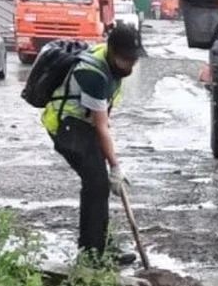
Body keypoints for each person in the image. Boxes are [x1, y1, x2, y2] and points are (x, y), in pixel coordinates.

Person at [41, 25, 143, 267]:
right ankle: (91, 256)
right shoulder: (93, 74)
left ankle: (99, 246)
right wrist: (115, 166)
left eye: (134, 58)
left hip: (83, 125)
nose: (131, 65)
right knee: (97, 184)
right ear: (112, 51)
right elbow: (101, 126)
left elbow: (104, 119)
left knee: (97, 186)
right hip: (66, 126)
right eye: (126, 59)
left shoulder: (113, 67)